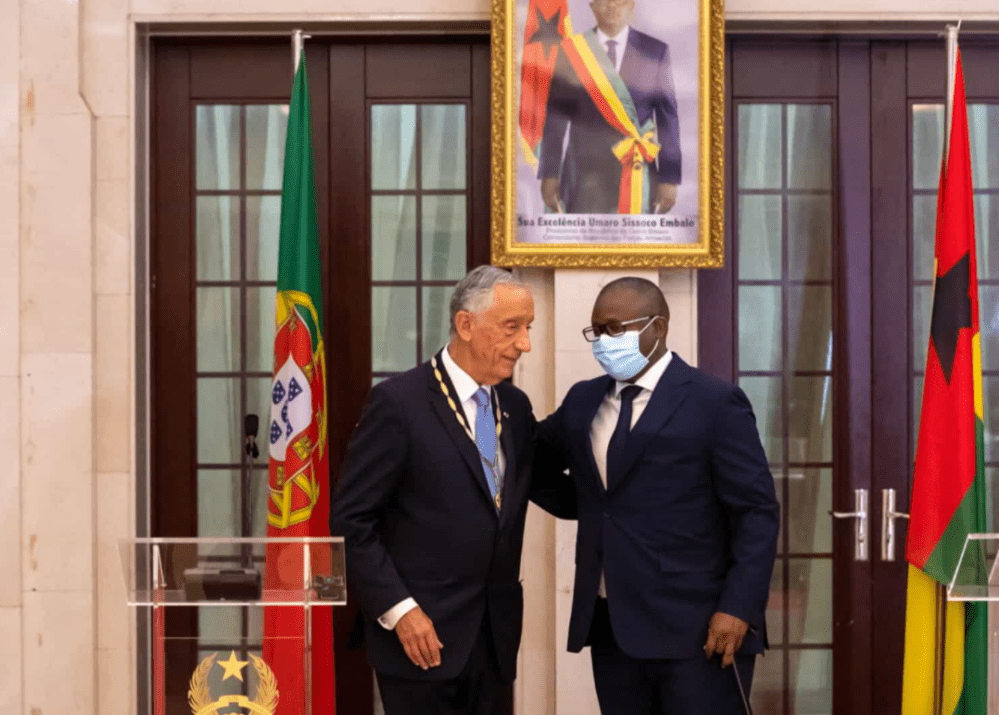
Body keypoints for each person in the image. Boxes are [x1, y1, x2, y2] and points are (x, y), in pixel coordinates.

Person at [330, 265, 574, 715]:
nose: (525, 344)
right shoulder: (398, 403)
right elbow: (352, 520)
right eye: (512, 327)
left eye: (528, 328)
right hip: (420, 637)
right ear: (465, 324)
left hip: (494, 640)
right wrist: (400, 610)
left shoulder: (514, 407)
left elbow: (553, 491)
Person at [535, 277, 779, 715]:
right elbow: (534, 463)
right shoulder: (583, 400)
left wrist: (739, 607)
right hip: (612, 628)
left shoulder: (715, 402)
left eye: (615, 328)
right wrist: (585, 506)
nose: (604, 341)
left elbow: (755, 512)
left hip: (699, 629)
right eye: (597, 330)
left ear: (658, 328)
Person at [538, 0, 681, 214]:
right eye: (604, 1)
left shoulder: (655, 51)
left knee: (635, 237)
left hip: (638, 171)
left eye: (620, 2)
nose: (612, 7)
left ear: (631, 6)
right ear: (592, 7)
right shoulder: (571, 51)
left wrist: (669, 178)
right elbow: (555, 119)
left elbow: (667, 118)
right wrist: (549, 174)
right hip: (584, 175)